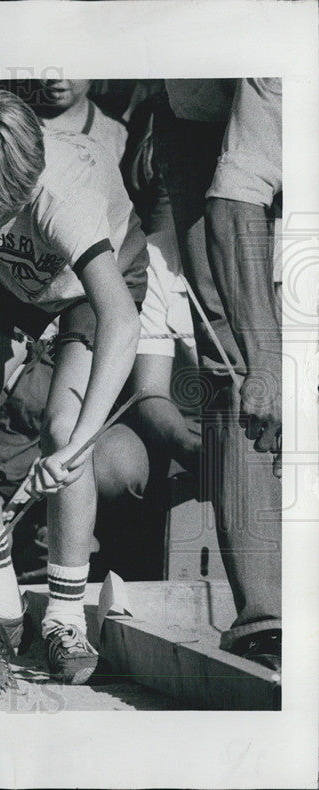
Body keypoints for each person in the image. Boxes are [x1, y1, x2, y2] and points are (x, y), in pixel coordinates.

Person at [0, 88, 147, 684]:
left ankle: (66, 612)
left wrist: (77, 447)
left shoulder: (61, 197)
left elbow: (122, 323)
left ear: (13, 195)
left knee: (64, 427)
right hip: (11, 281)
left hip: (90, 289)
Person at [154, 79, 282, 671]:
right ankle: (268, 617)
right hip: (204, 118)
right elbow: (234, 201)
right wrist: (269, 363)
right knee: (239, 368)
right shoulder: (276, 69)